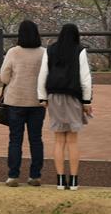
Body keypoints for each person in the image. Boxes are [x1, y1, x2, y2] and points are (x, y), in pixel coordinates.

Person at [37, 24, 92, 191]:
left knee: (59, 140)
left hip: (54, 96)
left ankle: (60, 181)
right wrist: (87, 101)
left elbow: (43, 73)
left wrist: (42, 96)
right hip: (73, 96)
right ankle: (74, 180)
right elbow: (85, 77)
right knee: (72, 140)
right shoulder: (79, 50)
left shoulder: (51, 50)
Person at [0, 20, 46, 187]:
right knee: (36, 139)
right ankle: (35, 175)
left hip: (15, 100)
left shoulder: (13, 52)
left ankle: (13, 175)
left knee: (15, 139)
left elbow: (4, 77)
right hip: (37, 101)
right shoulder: (43, 53)